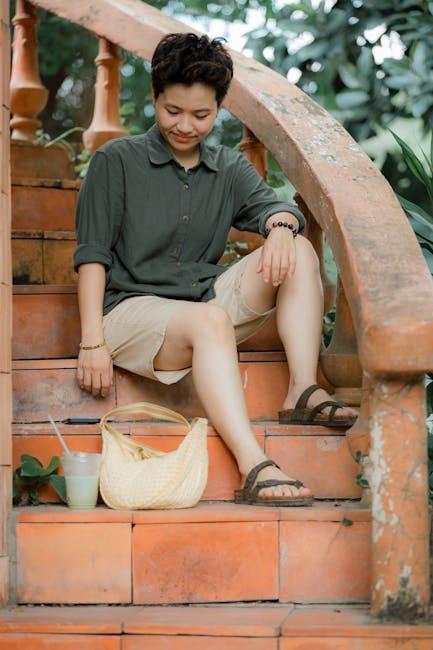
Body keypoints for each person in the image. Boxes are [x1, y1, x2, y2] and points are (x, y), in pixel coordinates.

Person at [73, 32, 357, 507]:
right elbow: (92, 256)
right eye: (173, 111)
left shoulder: (227, 166)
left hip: (202, 306)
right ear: (155, 97)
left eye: (201, 115)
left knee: (300, 251)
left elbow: (277, 209)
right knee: (209, 320)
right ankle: (253, 464)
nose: (185, 126)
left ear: (219, 108)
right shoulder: (115, 162)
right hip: (129, 313)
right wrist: (92, 343)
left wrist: (281, 228)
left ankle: (302, 389)